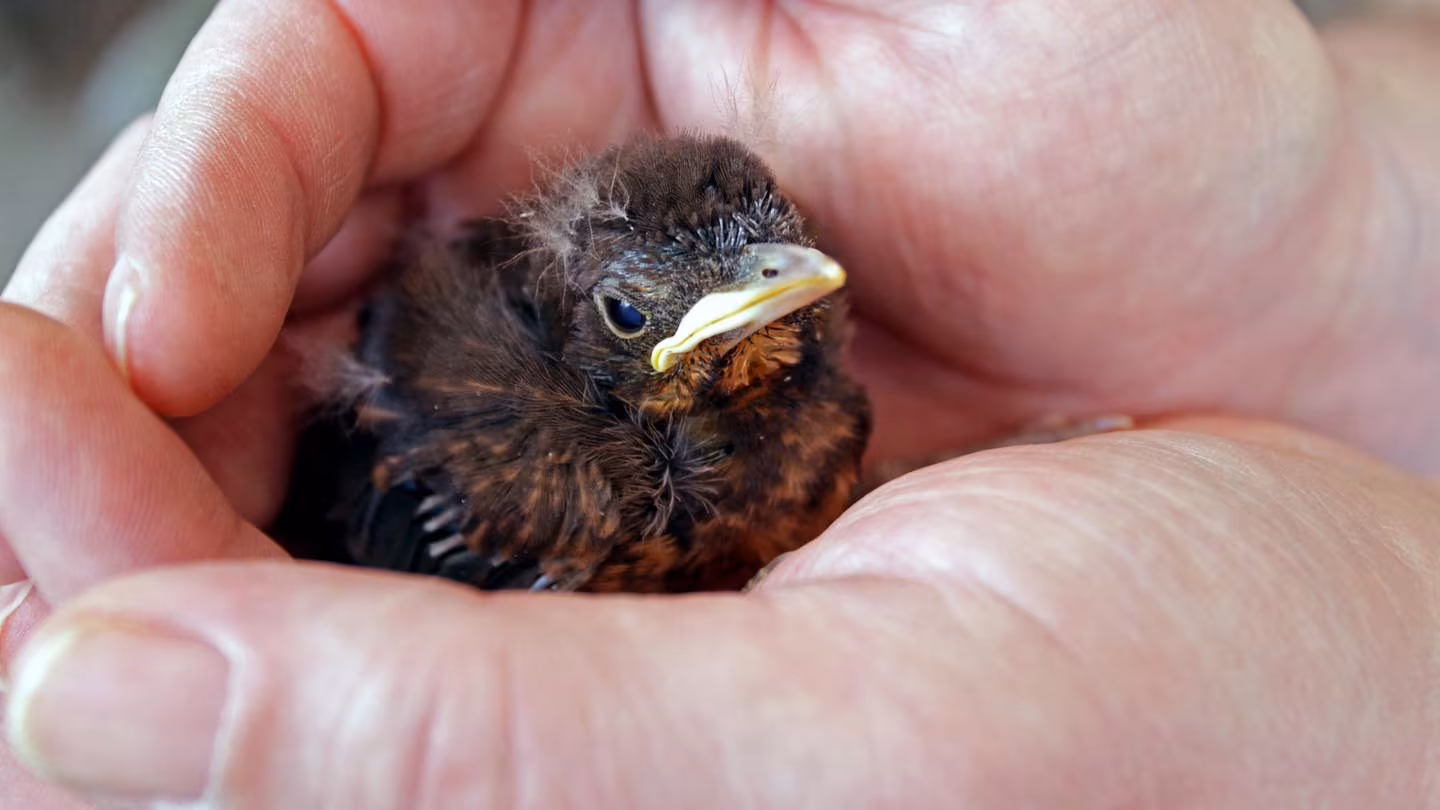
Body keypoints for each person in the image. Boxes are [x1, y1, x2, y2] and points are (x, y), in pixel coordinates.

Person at [1, 1, 1437, 806]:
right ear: (590, 333)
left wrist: (1341, 263)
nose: (767, 302)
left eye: (772, 267)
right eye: (641, 312)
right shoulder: (515, 453)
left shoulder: (815, 399)